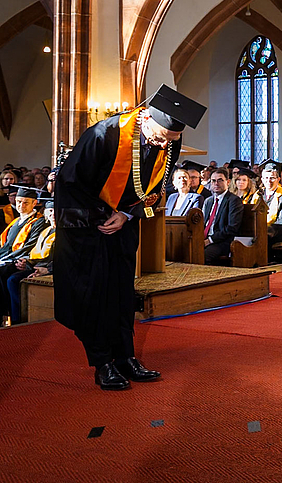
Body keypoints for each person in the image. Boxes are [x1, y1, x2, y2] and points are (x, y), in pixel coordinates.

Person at [54, 86, 204, 390]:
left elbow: (155, 185)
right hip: (89, 231)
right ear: (145, 117)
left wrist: (126, 215)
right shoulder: (104, 135)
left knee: (122, 294)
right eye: (160, 136)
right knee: (96, 296)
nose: (164, 144)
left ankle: (125, 357)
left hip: (123, 225)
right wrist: (102, 217)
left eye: (170, 140)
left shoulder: (169, 141)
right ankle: (102, 363)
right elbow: (69, 184)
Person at [4, 199, 55, 325]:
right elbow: (36, 253)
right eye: (50, 211)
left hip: (52, 268)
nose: (53, 214)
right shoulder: (46, 231)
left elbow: (61, 257)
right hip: (37, 266)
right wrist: (26, 263)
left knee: (13, 280)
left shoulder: (65, 234)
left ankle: (20, 319)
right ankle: (12, 316)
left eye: (56, 211)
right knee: (11, 277)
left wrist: (47, 269)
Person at [202, 168, 244, 265]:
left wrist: (210, 240)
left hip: (222, 241)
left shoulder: (233, 201)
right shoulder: (208, 201)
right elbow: (203, 223)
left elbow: (232, 228)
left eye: (220, 180)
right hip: (205, 239)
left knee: (203, 255)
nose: (216, 183)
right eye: (213, 181)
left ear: (228, 182)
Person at [0, 187, 47, 265]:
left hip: (18, 261)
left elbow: (29, 246)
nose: (22, 205)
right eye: (19, 201)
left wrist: (6, 259)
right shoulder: (16, 221)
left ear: (34, 203)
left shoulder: (39, 222)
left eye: (26, 203)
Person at [260, 163, 282, 250]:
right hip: (260, 230)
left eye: (272, 178)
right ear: (262, 180)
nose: (269, 181)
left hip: (279, 233)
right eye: (266, 178)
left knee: (261, 239)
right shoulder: (258, 196)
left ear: (278, 179)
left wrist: (266, 231)